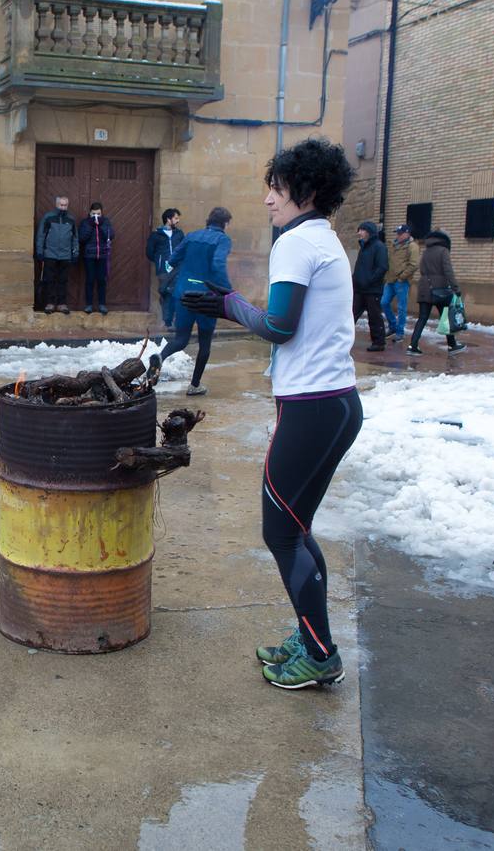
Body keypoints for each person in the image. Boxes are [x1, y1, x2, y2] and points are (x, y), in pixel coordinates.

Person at [179, 137, 361, 690]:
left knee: (281, 533)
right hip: (339, 406)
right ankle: (312, 639)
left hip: (310, 408)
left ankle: (321, 654)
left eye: (276, 188)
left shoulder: (295, 243)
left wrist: (227, 304)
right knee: (297, 528)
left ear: (305, 191)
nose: (266, 199)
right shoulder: (326, 240)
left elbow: (279, 326)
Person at [158, 206, 232, 396]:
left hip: (183, 293)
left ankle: (159, 358)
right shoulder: (222, 239)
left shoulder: (191, 236)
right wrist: (228, 292)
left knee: (181, 339)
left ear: (208, 220)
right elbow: (217, 264)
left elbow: (173, 259)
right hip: (206, 298)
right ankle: (195, 385)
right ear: (225, 224)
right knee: (205, 343)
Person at [406, 230, 466, 356]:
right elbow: (448, 270)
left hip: (424, 289)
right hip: (440, 290)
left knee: (422, 318)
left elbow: (421, 268)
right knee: (447, 317)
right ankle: (452, 345)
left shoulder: (426, 251)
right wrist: (456, 288)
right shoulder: (443, 251)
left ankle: (413, 345)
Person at [35, 196, 78, 314]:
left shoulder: (71, 219)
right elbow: (41, 235)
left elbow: (75, 238)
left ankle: (61, 304)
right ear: (56, 204)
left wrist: (75, 253)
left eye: (65, 205)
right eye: (61, 205)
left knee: (63, 280)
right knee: (50, 280)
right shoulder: (48, 217)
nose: (63, 207)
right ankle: (50, 303)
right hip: (50, 254)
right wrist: (40, 251)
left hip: (65, 255)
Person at [352, 221, 389, 352]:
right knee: (351, 315)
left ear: (369, 232)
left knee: (374, 317)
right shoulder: (363, 247)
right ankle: (344, 339)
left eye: (362, 230)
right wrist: (355, 280)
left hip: (372, 290)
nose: (359, 233)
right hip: (359, 289)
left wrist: (369, 280)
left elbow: (382, 267)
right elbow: (360, 267)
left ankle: (379, 342)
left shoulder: (379, 247)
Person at [146, 208, 184, 328]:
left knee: (176, 293)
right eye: (176, 218)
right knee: (166, 293)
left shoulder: (179, 234)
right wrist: (160, 262)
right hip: (163, 270)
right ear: (168, 219)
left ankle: (174, 321)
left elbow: (184, 248)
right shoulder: (156, 235)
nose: (178, 221)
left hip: (177, 269)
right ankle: (167, 321)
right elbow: (149, 252)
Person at [382, 224, 417, 340]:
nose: (398, 235)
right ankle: (393, 325)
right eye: (397, 233)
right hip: (390, 279)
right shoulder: (393, 245)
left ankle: (400, 332)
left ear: (407, 234)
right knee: (384, 302)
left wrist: (402, 277)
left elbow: (413, 264)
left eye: (400, 233)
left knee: (401, 307)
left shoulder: (412, 246)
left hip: (401, 281)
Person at [79, 201, 114, 315]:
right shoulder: (85, 223)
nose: (96, 216)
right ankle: (89, 305)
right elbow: (82, 238)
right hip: (90, 255)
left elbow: (111, 235)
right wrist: (91, 225)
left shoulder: (106, 222)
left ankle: (102, 304)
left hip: (102, 255)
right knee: (90, 280)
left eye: (98, 214)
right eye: (94, 213)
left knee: (101, 280)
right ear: (90, 213)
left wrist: (101, 225)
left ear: (101, 213)